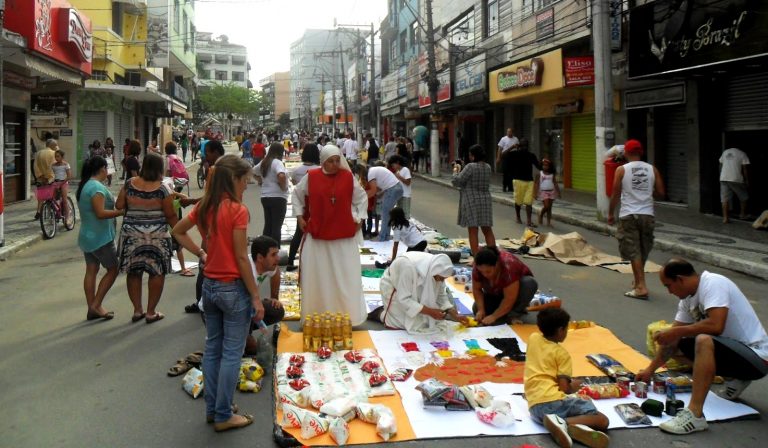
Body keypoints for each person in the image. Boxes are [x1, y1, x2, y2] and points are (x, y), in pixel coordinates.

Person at [171, 155, 259, 432]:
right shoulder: (237, 210)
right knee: (232, 353)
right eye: (245, 181)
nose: (246, 187)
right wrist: (256, 296)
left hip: (209, 286)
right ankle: (223, 414)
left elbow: (178, 231)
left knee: (212, 349)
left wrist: (201, 253)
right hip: (232, 288)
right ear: (234, 179)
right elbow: (241, 257)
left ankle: (214, 409)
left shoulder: (205, 206)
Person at [633, 258, 768, 435]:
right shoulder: (687, 300)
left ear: (680, 279)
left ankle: (695, 415)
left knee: (703, 340)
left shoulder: (713, 283)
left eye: (668, 286)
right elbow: (672, 340)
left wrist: (677, 332)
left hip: (758, 357)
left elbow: (716, 325)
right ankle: (735, 378)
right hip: (736, 355)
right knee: (674, 343)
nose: (669, 291)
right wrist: (649, 371)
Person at [292, 145, 368, 325]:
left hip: (344, 239)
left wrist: (360, 219)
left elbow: (362, 198)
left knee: (345, 279)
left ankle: (347, 317)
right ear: (323, 162)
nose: (335, 164)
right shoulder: (311, 177)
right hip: (318, 239)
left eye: (337, 160)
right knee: (319, 280)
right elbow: (296, 195)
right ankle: (318, 318)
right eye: (330, 161)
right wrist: (299, 216)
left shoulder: (348, 177)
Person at [525, 308, 610, 448]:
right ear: (560, 331)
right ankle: (563, 423)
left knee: (583, 413)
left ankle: (572, 428)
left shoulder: (533, 338)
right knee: (602, 420)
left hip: (535, 409)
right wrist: (574, 386)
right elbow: (564, 388)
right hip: (552, 403)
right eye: (566, 329)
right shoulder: (561, 354)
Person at [116, 152, 178, 324]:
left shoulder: (129, 184)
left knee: (134, 272)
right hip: (157, 237)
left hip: (131, 236)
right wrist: (180, 232)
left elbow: (119, 205)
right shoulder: (163, 188)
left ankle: (137, 310)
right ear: (160, 168)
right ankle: (151, 312)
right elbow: (170, 214)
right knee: (157, 271)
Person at [608, 139, 665, 300]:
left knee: (633, 250)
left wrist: (611, 213)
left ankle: (641, 287)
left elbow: (615, 193)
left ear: (626, 152)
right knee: (643, 248)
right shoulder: (652, 169)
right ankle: (639, 281)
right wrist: (646, 191)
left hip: (629, 215)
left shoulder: (622, 169)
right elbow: (661, 192)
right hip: (648, 214)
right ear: (641, 152)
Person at [76, 156, 124, 321]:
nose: (108, 172)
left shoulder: (86, 185)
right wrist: (121, 212)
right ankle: (96, 305)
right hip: (100, 238)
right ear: (102, 169)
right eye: (107, 169)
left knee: (92, 270)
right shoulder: (96, 188)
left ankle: (92, 307)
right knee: (113, 269)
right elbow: (100, 213)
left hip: (88, 236)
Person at [370, 252, 467, 333]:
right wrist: (430, 311)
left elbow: (441, 294)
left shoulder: (436, 270)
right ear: (434, 272)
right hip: (394, 285)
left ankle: (388, 311)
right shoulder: (407, 266)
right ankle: (380, 314)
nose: (441, 281)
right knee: (400, 324)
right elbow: (403, 299)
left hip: (410, 288)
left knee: (422, 323)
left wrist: (451, 310)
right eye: (441, 278)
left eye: (443, 279)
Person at [472, 246, 537, 326]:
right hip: (496, 293)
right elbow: (477, 289)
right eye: (481, 272)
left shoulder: (509, 266)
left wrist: (494, 316)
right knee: (476, 308)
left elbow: (509, 298)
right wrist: (481, 310)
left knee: (529, 283)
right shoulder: (477, 267)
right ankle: (503, 312)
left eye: (488, 271)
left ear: (496, 265)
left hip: (516, 292)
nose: (485, 275)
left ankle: (514, 314)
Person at [451, 144, 496, 256]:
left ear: (473, 156)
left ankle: (476, 258)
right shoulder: (488, 167)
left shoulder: (470, 167)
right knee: (487, 229)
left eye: (470, 155)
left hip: (471, 200)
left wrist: (456, 170)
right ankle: (494, 256)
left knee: (473, 230)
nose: (470, 157)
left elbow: (457, 181)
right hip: (485, 199)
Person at [245, 236, 286, 355]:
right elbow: (236, 308)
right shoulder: (248, 272)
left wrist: (274, 297)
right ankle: (237, 334)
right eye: (273, 255)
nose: (278, 258)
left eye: (277, 254)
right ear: (260, 258)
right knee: (251, 348)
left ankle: (244, 333)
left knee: (276, 310)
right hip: (230, 310)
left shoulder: (267, 265)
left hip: (247, 305)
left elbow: (276, 272)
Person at [286, 144, 321, 272]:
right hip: (316, 205)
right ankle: (313, 263)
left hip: (302, 206)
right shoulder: (319, 169)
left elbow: (295, 185)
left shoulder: (296, 170)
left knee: (298, 233)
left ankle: (290, 261)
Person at [253, 142, 289, 245]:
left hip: (265, 197)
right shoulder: (277, 162)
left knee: (268, 226)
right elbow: (281, 176)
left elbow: (253, 171)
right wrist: (284, 187)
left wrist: (260, 180)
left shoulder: (264, 162)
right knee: (276, 227)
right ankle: (274, 250)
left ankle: (265, 250)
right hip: (278, 198)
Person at [508, 138, 541, 227]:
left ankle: (528, 220)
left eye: (526, 145)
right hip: (519, 180)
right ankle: (518, 217)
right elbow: (539, 166)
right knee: (518, 201)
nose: (525, 147)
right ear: (520, 146)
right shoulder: (516, 154)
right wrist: (512, 147)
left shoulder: (530, 155)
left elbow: (538, 166)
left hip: (528, 181)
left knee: (528, 202)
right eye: (523, 145)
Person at [367, 164, 404, 241]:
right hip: (396, 188)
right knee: (387, 213)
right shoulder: (374, 170)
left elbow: (373, 191)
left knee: (385, 213)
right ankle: (386, 235)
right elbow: (379, 189)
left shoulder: (370, 173)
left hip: (393, 188)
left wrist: (362, 197)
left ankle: (382, 237)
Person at [719, 147, 750, 223]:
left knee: (724, 199)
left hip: (724, 178)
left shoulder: (725, 152)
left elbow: (721, 164)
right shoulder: (742, 153)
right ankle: (742, 215)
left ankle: (725, 218)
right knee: (744, 197)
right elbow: (745, 169)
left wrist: (722, 174)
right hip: (735, 178)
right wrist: (746, 180)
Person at [33, 139, 57, 219]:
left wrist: (40, 176)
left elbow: (35, 166)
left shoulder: (38, 153)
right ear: (52, 146)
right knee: (52, 195)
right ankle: (51, 212)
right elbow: (54, 166)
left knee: (41, 195)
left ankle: (39, 211)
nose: (56, 146)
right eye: (55, 145)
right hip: (51, 178)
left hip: (41, 178)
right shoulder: (54, 153)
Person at [534, 158, 561, 227]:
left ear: (550, 166)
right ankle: (541, 214)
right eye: (544, 165)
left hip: (551, 192)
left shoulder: (552, 174)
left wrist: (558, 192)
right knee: (546, 206)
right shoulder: (540, 174)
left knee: (549, 208)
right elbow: (536, 183)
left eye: (547, 165)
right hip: (543, 192)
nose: (545, 167)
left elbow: (555, 183)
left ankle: (549, 222)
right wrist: (535, 193)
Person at [496, 128, 520, 193]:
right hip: (506, 156)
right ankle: (504, 186)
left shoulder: (516, 139)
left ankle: (511, 187)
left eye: (510, 132)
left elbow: (518, 148)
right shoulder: (503, 139)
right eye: (508, 132)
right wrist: (498, 157)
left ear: (513, 132)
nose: (509, 133)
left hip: (514, 156)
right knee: (505, 171)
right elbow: (500, 149)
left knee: (512, 172)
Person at [389, 155, 413, 219]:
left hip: (405, 195)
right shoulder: (398, 171)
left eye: (393, 165)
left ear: (397, 162)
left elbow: (408, 182)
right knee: (400, 214)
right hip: (399, 195)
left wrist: (399, 177)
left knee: (405, 214)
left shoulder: (405, 170)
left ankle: (406, 227)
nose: (393, 167)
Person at [52, 149, 72, 217]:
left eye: (58, 156)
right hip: (56, 182)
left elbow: (69, 176)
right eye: (55, 156)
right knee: (53, 199)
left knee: (64, 200)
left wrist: (61, 184)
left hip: (64, 182)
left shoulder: (66, 164)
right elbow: (52, 175)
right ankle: (58, 212)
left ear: (62, 157)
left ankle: (67, 216)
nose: (56, 158)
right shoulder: (53, 165)